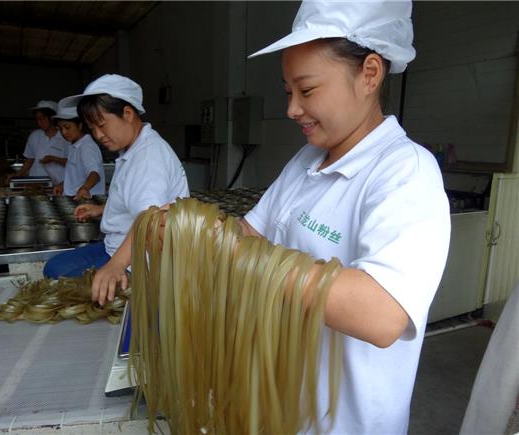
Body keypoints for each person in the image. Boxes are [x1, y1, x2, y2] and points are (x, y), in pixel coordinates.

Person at [93, 1, 450, 434]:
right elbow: (246, 233)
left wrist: (234, 253)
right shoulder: (306, 162)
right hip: (275, 404)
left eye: (307, 90)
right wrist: (192, 228)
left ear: (370, 74)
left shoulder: (405, 171)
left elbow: (382, 314)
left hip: (342, 422)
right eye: (288, 92)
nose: (292, 109)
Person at [43, 74, 189, 279]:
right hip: (114, 245)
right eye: (93, 129)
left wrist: (115, 267)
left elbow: (149, 222)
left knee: (67, 286)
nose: (98, 135)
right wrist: (102, 210)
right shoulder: (131, 150)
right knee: (54, 268)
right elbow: (135, 200)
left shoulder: (148, 158)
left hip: (139, 259)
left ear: (127, 113)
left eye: (102, 125)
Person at [6, 100, 70, 186]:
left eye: (42, 119)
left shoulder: (65, 137)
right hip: (35, 182)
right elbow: (30, 159)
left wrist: (53, 159)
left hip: (58, 184)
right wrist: (17, 174)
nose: (39, 122)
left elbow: (72, 163)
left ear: (52, 118)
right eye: (37, 119)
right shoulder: (34, 136)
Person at [51, 99, 106, 200]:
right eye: (60, 129)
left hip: (86, 203)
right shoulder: (75, 146)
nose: (63, 132)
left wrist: (85, 188)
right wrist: (63, 185)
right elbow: (77, 176)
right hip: (74, 201)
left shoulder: (87, 146)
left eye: (67, 127)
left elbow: (95, 174)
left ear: (80, 125)